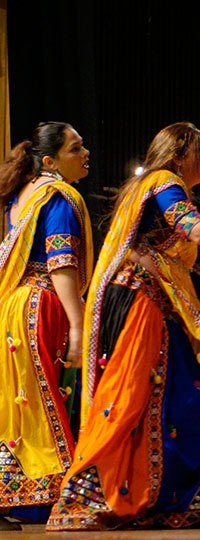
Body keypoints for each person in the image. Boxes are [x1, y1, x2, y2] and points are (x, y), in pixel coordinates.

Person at [45, 121, 200, 531]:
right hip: (142, 306)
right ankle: (102, 496)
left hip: (168, 314)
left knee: (194, 408)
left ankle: (173, 499)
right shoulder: (163, 182)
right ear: (182, 154)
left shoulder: (174, 196)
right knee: (129, 401)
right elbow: (196, 231)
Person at [0, 122, 94, 528]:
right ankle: (48, 497)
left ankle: (16, 497)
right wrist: (78, 326)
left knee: (17, 408)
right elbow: (61, 264)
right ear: (51, 161)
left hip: (11, 309)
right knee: (42, 404)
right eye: (76, 148)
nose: (86, 152)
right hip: (41, 307)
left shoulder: (19, 198)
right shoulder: (56, 196)